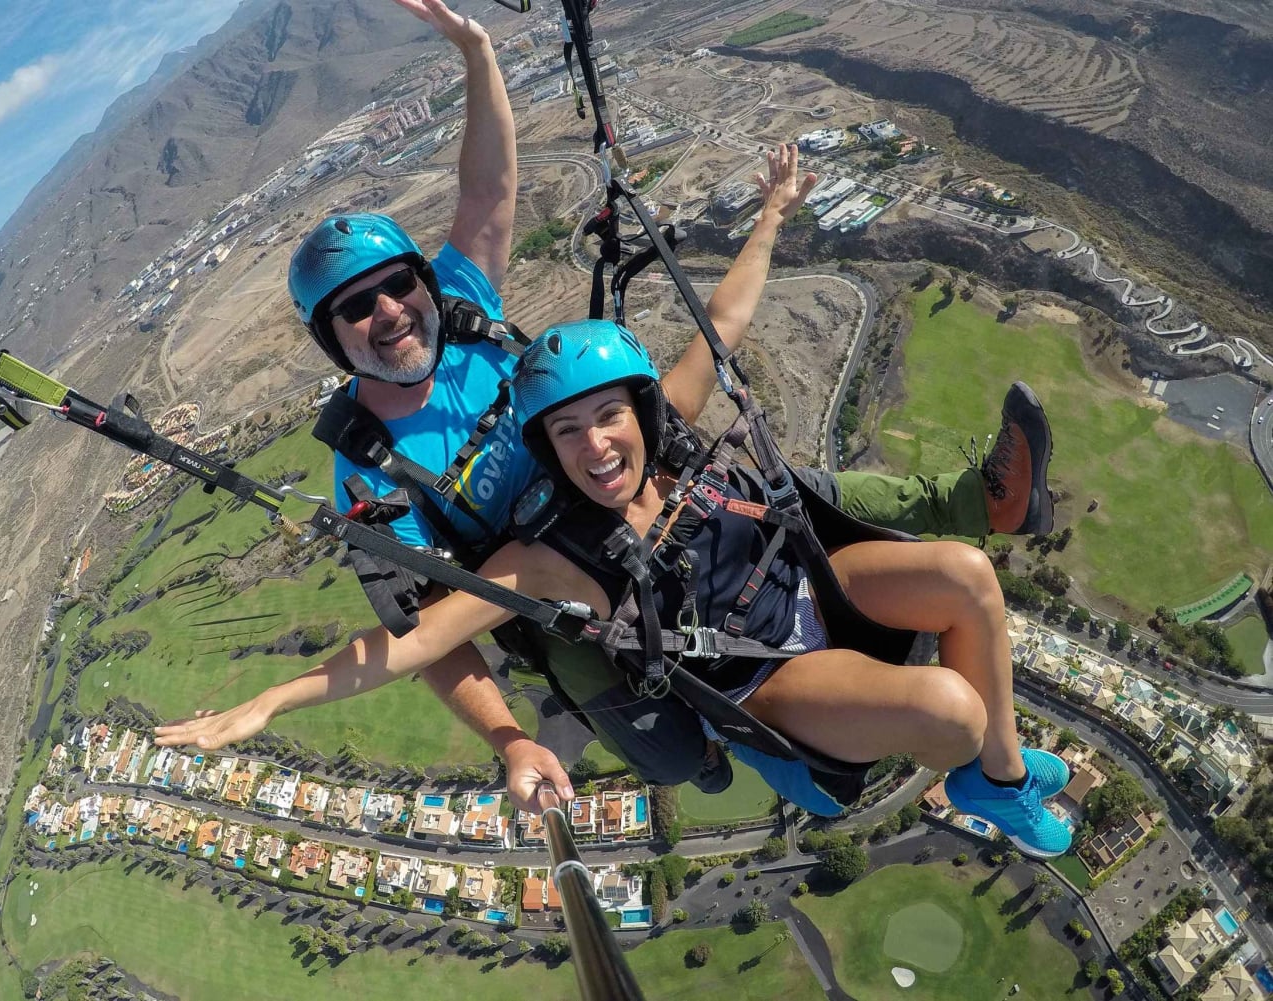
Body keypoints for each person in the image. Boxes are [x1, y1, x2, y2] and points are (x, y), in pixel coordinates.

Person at [281, 0, 1055, 810]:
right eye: (357, 308)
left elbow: (490, 193)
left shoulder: (463, 315)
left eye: (398, 285)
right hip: (571, 574)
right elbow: (427, 635)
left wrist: (477, 52)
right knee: (630, 655)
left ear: (422, 282)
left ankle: (983, 507)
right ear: (332, 337)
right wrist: (509, 739)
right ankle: (730, 734)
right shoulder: (371, 469)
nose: (390, 311)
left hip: (631, 484)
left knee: (788, 494)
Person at [157, 318, 1073, 857]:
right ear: (546, 452)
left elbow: (722, 318)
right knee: (954, 712)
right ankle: (990, 772)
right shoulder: (548, 556)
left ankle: (1002, 776)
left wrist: (771, 215)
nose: (596, 446)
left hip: (801, 592)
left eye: (609, 418)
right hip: (761, 676)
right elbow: (413, 642)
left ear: (640, 414)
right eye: (567, 434)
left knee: (967, 573)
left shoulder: (669, 453)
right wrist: (271, 701)